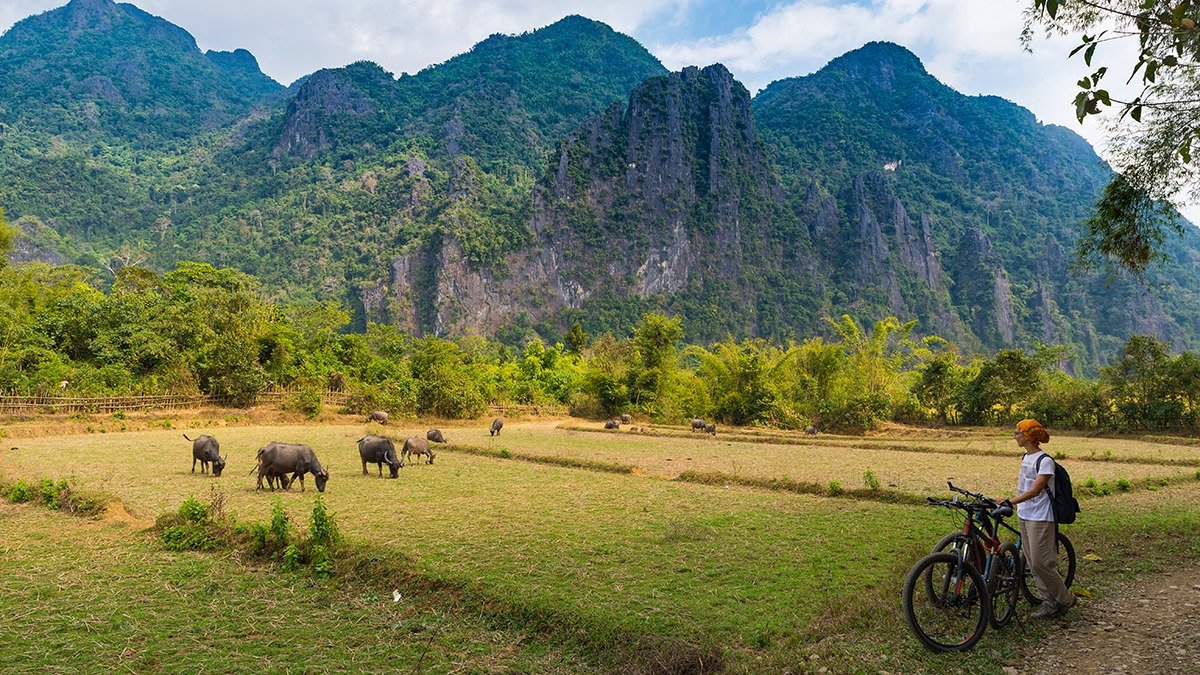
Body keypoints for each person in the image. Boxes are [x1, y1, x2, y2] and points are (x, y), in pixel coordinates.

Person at [1004, 418, 1076, 618]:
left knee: (1040, 562)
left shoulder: (1045, 461)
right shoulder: (1025, 457)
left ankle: (1065, 599)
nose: (1015, 436)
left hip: (1041, 516)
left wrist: (1010, 501)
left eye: (1018, 433)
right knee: (1032, 562)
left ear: (1028, 436)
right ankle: (1049, 602)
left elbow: (1035, 491)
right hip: (1025, 515)